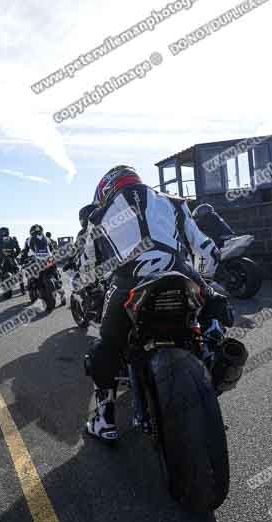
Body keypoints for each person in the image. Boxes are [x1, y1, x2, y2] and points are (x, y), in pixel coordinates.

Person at [79, 165, 231, 442]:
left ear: (104, 190)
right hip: (181, 274)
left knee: (105, 348)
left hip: (127, 284)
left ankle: (105, 420)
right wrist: (205, 280)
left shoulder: (97, 216)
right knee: (217, 308)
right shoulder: (174, 202)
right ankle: (213, 355)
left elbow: (86, 267)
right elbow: (206, 248)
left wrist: (89, 284)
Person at [21, 224, 64, 300]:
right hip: (48, 260)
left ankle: (32, 289)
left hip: (38, 262)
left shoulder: (29, 240)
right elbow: (53, 250)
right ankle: (60, 288)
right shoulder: (47, 239)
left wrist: (22, 260)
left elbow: (25, 252)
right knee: (55, 272)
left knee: (30, 273)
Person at [0, 227, 24, 292]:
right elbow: (18, 250)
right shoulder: (13, 239)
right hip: (12, 258)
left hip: (2, 259)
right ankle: (22, 286)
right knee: (18, 269)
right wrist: (14, 255)